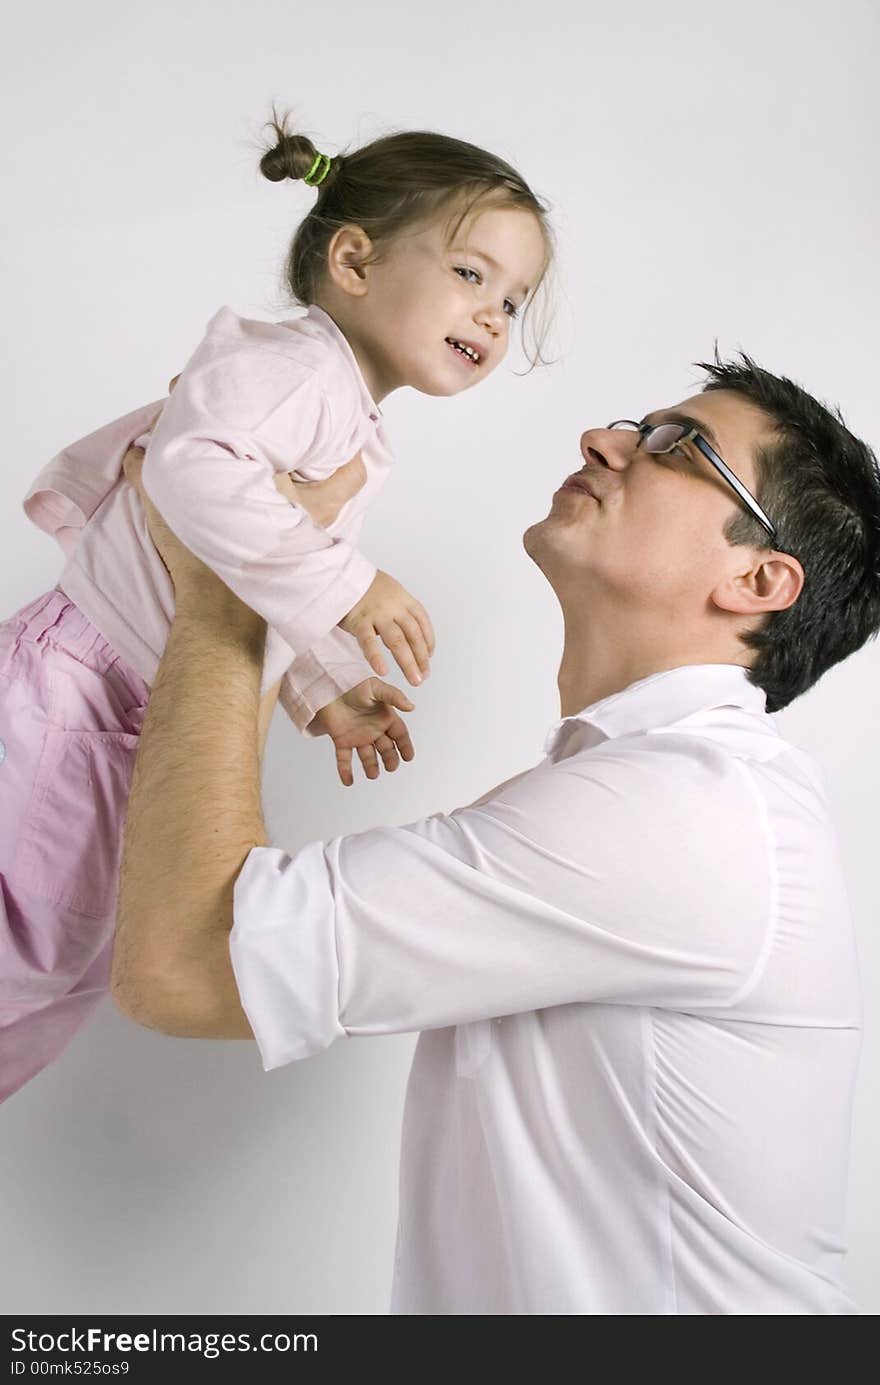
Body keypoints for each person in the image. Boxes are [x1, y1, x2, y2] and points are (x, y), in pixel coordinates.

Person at [113, 354, 880, 1315]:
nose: (604, 442)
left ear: (760, 577)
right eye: (634, 425)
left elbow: (182, 963)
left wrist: (229, 578)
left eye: (678, 447)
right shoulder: (654, 793)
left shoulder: (688, 810)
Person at [0, 118, 551, 1105]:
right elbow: (186, 471)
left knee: (63, 966)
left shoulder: (356, 429)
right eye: (472, 274)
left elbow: (255, 565)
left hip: (129, 713)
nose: (496, 314)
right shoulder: (292, 365)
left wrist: (326, 688)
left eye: (513, 299)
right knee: (26, 951)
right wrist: (350, 589)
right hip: (73, 685)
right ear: (352, 258)